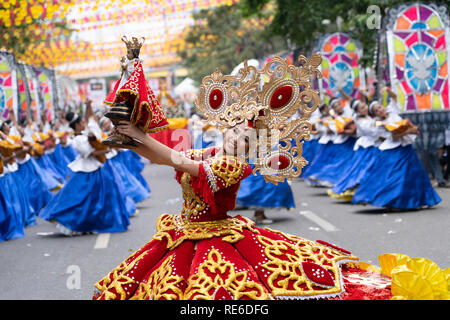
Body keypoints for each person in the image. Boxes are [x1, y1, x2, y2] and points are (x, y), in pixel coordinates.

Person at [92, 57, 404, 300]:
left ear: (250, 146)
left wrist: (135, 135)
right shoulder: (212, 152)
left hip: (216, 239)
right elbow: (163, 158)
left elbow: (173, 158)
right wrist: (131, 135)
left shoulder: (233, 167)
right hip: (184, 233)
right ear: (226, 126)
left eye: (245, 137)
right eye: (236, 129)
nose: (238, 136)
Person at [39, 109, 134, 236]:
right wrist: (107, 149)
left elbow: (92, 121)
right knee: (81, 199)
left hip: (97, 169)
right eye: (81, 122)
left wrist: (88, 106)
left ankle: (94, 223)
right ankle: (73, 222)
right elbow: (92, 153)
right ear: (77, 124)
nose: (84, 123)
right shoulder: (77, 140)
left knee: (97, 200)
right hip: (88, 171)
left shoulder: (86, 134)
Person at [351, 98, 441, 210]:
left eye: (380, 107)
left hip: (406, 148)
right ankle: (393, 201)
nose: (380, 110)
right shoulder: (378, 124)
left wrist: (411, 128)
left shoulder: (393, 114)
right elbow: (393, 136)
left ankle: (422, 200)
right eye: (376, 111)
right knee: (396, 177)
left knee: (415, 175)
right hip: (393, 150)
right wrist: (409, 131)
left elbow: (396, 100)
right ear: (375, 114)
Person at [328, 98, 381, 201]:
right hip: (365, 148)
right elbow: (371, 132)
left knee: (364, 169)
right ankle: (355, 189)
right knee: (362, 170)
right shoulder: (360, 121)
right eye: (362, 108)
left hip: (371, 146)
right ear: (357, 111)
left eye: (365, 106)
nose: (365, 109)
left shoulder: (363, 117)